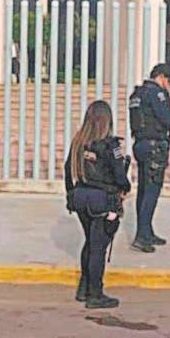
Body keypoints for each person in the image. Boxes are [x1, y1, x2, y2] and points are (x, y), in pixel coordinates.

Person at [64, 100, 131, 309]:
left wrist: (70, 194)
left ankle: (83, 288)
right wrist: (125, 187)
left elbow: (67, 169)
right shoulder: (111, 145)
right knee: (98, 247)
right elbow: (119, 175)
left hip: (81, 197)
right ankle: (95, 293)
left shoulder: (79, 142)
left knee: (90, 243)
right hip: (102, 200)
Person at [128, 63, 170, 253]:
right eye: (168, 81)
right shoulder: (156, 93)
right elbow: (166, 118)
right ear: (161, 77)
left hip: (140, 144)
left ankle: (146, 230)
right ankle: (142, 236)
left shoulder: (137, 94)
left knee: (144, 190)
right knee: (151, 192)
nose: (169, 86)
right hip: (154, 147)